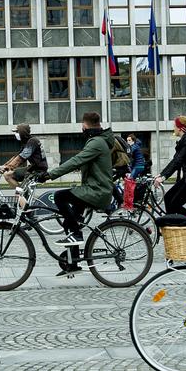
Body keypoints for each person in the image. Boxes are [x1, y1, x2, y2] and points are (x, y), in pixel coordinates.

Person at [42, 111, 115, 275]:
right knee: (69, 222)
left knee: (60, 196)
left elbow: (77, 159)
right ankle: (73, 263)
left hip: (97, 191)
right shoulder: (98, 140)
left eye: (82, 125)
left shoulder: (96, 142)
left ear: (85, 125)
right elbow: (82, 162)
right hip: (94, 188)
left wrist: (50, 175)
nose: (81, 128)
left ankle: (76, 234)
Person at [0, 123, 48, 190]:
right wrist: (5, 165)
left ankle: (22, 195)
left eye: (17, 132)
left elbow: (21, 158)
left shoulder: (33, 141)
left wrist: (7, 167)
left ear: (23, 132)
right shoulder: (26, 142)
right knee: (8, 175)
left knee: (19, 192)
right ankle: (22, 194)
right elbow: (17, 156)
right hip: (32, 169)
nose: (16, 134)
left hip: (38, 171)